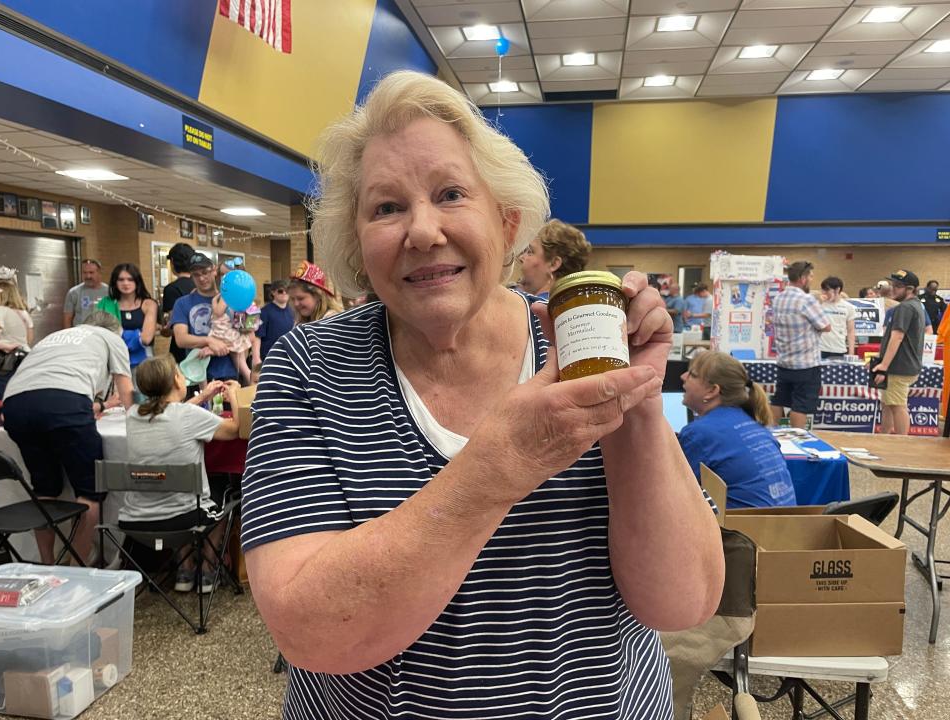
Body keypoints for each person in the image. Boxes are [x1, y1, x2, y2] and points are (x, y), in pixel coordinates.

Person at [241, 71, 723, 719]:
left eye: (450, 194)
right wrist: (496, 468)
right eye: (386, 207)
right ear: (356, 243)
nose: (421, 230)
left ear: (506, 221)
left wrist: (633, 400)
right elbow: (311, 633)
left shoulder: (576, 345)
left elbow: (683, 602)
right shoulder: (309, 367)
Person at [2, 311, 134, 565]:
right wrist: (138, 422)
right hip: (64, 402)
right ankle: (78, 566)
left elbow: (43, 383)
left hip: (16, 405)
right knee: (89, 490)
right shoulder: (110, 337)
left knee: (45, 487)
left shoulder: (55, 336)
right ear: (115, 330)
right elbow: (125, 389)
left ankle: (46, 563)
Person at [120, 355, 239, 592]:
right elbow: (234, 430)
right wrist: (234, 395)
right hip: (184, 518)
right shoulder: (188, 416)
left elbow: (170, 413)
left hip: (136, 518)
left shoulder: (133, 414)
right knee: (223, 492)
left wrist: (203, 396)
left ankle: (184, 569)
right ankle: (207, 568)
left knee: (173, 492)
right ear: (176, 380)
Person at [678, 352, 797, 509]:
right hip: (783, 528)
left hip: (743, 531)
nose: (683, 376)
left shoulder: (699, 434)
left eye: (692, 375)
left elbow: (672, 493)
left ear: (712, 391)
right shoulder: (754, 424)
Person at [771, 261, 831, 428]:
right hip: (806, 363)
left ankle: (773, 433)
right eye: (811, 276)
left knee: (779, 399)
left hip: (784, 361)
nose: (812, 280)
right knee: (800, 406)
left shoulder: (778, 299)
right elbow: (826, 326)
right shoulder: (806, 300)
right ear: (803, 278)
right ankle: (797, 441)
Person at [171, 253, 237, 382]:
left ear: (214, 270)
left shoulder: (231, 299)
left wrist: (219, 347)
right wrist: (209, 341)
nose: (201, 278)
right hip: (196, 374)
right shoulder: (182, 303)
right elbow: (181, 339)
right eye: (196, 274)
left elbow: (245, 335)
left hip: (228, 372)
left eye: (205, 272)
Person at [874, 270, 926, 435]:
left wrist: (884, 365)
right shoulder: (917, 305)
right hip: (905, 364)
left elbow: (897, 338)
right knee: (888, 404)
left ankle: (902, 444)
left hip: (899, 366)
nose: (892, 289)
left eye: (898, 286)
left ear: (910, 289)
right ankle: (885, 436)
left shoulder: (905, 307)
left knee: (897, 406)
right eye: (892, 285)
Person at [100, 263, 158, 375]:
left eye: (130, 279)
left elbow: (146, 339)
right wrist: (136, 335)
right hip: (113, 361)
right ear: (115, 282)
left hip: (143, 363)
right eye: (121, 279)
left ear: (137, 281)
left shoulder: (148, 304)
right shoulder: (105, 303)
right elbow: (100, 336)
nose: (125, 283)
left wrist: (118, 334)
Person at [516, 219, 591, 299]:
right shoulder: (572, 305)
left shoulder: (534, 308)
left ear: (554, 264)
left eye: (530, 252)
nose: (521, 258)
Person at [0, 267, 32, 398]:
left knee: (4, 399)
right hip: (22, 358)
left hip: (1, 362)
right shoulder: (24, 314)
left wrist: (4, 345)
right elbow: (29, 340)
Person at [208, 292, 254, 385]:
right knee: (242, 366)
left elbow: (218, 312)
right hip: (238, 333)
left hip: (228, 335)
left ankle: (254, 387)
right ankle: (252, 387)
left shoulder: (226, 295)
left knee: (243, 368)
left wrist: (214, 301)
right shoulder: (242, 295)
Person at [161, 243, 196, 364]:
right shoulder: (201, 286)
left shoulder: (171, 289)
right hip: (203, 345)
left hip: (182, 349)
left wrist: (164, 330)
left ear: (172, 263)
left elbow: (174, 326)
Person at [255, 280, 294, 364]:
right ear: (273, 292)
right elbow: (257, 337)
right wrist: (256, 358)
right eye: (280, 291)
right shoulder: (263, 312)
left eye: (287, 291)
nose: (284, 293)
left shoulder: (293, 312)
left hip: (289, 359)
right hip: (269, 359)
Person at [63, 259, 108, 327]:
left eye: (91, 272)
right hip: (81, 333)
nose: (88, 276)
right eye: (85, 272)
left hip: (102, 333)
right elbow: (67, 318)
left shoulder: (109, 292)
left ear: (99, 272)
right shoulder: (74, 292)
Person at [819, 276, 855, 359]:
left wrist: (851, 351)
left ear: (837, 290)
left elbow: (851, 331)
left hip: (839, 348)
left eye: (827, 289)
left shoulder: (848, 307)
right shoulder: (820, 305)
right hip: (820, 348)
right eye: (823, 289)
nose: (824, 292)